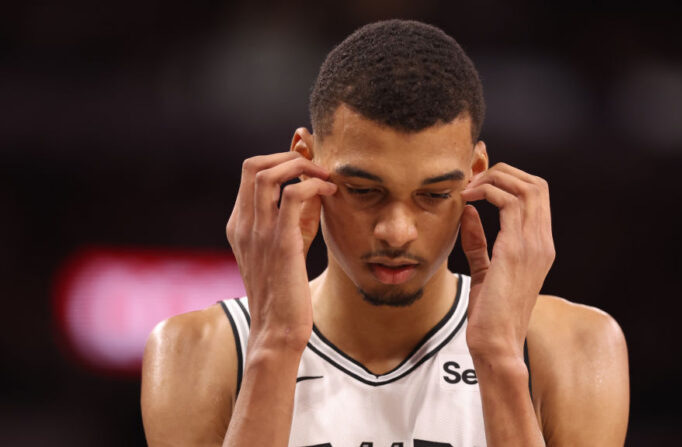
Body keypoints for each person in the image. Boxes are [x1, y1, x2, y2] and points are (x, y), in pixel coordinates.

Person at [141, 19, 629, 446]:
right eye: (363, 190)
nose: (396, 232)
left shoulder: (576, 346)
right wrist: (274, 344)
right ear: (305, 163)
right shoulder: (197, 348)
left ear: (476, 173)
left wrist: (499, 360)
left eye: (433, 195)